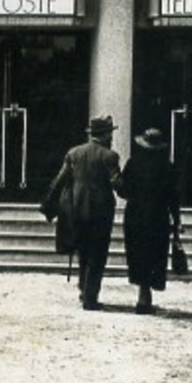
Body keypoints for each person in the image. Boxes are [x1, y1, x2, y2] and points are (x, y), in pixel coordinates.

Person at [44, 114, 122, 310]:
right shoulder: (110, 156)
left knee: (83, 251)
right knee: (98, 254)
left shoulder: (74, 153)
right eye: (110, 134)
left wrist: (48, 205)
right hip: (101, 213)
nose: (111, 138)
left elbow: (59, 180)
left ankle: (83, 289)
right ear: (104, 135)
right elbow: (117, 184)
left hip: (77, 210)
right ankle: (90, 297)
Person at [120, 125, 182, 315]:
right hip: (158, 216)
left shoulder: (133, 163)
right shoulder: (167, 166)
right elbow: (173, 197)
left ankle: (143, 294)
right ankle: (146, 296)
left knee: (137, 253)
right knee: (155, 254)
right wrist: (177, 220)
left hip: (135, 214)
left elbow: (123, 190)